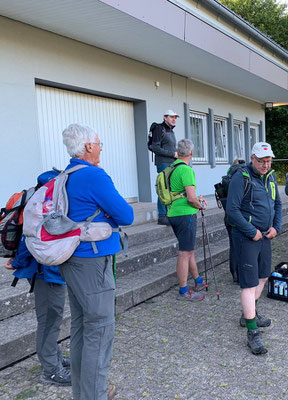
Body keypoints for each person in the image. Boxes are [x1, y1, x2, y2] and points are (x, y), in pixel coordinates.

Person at [60, 124, 134, 400]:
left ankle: (83, 392)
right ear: (88, 147)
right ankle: (95, 394)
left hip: (73, 260)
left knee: (81, 327)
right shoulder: (93, 175)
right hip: (93, 261)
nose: (102, 148)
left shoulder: (66, 175)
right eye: (99, 144)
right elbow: (126, 215)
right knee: (100, 331)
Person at [4, 171, 70, 387]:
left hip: (45, 270)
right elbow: (28, 239)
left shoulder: (40, 201)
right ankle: (50, 370)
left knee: (51, 318)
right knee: (49, 319)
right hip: (45, 272)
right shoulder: (45, 205)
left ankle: (54, 358)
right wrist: (16, 262)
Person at [226, 142, 282, 355]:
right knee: (248, 284)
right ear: (252, 159)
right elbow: (232, 210)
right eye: (261, 161)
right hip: (246, 237)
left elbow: (277, 204)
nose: (265, 165)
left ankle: (249, 313)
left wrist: (276, 227)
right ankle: (252, 332)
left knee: (263, 276)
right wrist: (251, 231)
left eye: (268, 161)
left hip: (266, 235)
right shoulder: (242, 178)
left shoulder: (271, 177)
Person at [167, 139, 207, 301]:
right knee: (184, 253)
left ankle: (198, 281)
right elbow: (191, 198)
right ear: (191, 153)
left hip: (173, 213)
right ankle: (183, 291)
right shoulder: (186, 170)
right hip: (185, 214)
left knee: (188, 249)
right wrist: (200, 205)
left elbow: (180, 193)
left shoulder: (172, 168)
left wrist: (196, 199)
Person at [151, 110, 179, 226]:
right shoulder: (159, 129)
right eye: (171, 117)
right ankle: (162, 216)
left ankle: (168, 213)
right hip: (163, 163)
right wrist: (172, 154)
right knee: (164, 188)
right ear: (165, 117)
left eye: (175, 117)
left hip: (171, 163)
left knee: (170, 188)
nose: (174, 119)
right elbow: (155, 147)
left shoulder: (170, 130)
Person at [224, 159, 246, 283]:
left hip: (228, 217)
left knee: (233, 246)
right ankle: (242, 273)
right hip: (241, 216)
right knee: (243, 246)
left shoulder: (229, 175)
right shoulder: (243, 176)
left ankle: (235, 273)